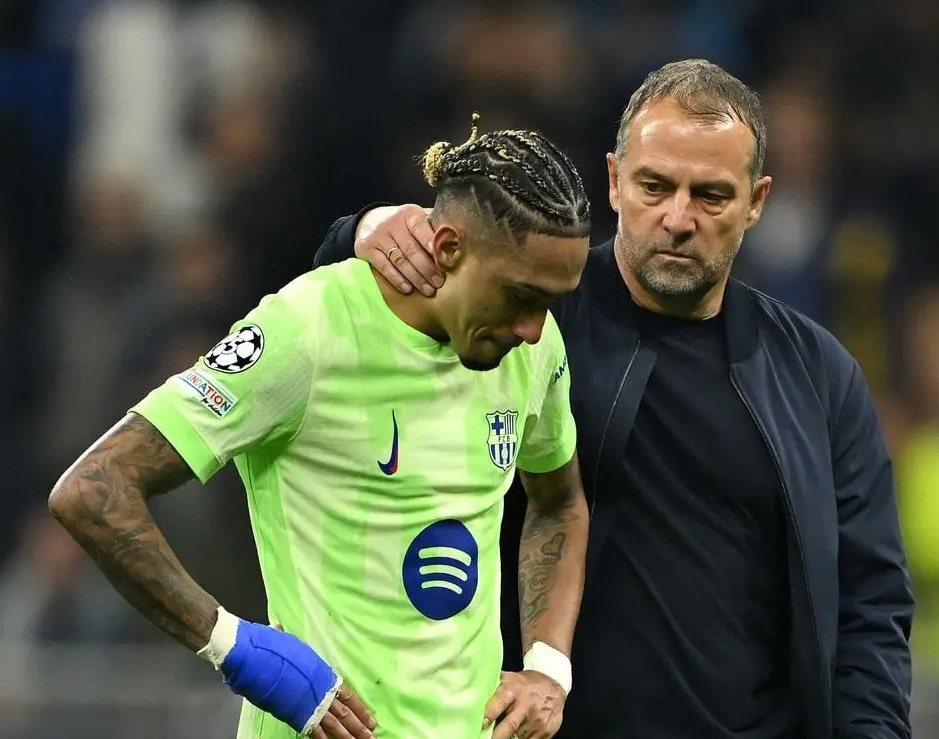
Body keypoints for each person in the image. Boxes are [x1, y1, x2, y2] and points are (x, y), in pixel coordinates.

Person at [314, 60, 914, 739]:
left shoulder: (817, 375)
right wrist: (359, 232)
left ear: (756, 201)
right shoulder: (525, 318)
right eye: (655, 186)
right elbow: (345, 333)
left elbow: (870, 601)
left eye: (711, 196)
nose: (678, 219)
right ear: (613, 181)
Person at [48, 121, 593, 739]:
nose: (533, 327)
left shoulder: (533, 348)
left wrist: (549, 666)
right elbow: (92, 489)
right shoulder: (306, 331)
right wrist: (234, 646)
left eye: (551, 302)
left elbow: (559, 503)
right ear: (447, 248)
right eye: (520, 296)